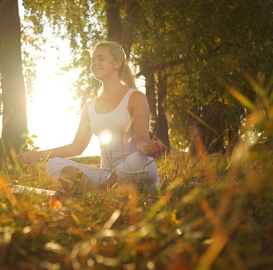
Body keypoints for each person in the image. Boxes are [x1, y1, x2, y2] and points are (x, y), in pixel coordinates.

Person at [17, 41, 166, 192]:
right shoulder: (89, 107)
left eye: (100, 58)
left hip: (135, 171)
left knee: (140, 160)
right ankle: (103, 193)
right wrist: (38, 154)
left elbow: (141, 139)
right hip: (105, 175)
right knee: (53, 163)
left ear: (117, 63)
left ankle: (95, 192)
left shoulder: (135, 97)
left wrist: (148, 148)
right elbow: (76, 147)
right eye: (93, 60)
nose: (95, 63)